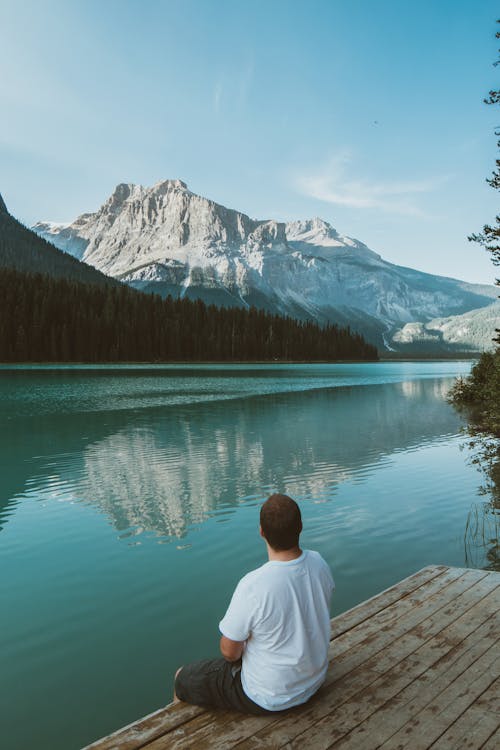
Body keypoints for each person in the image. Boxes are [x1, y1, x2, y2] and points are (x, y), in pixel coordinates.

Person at [174, 493, 335, 714]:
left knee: (182, 677)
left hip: (269, 696)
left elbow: (229, 653)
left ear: (261, 532)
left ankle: (177, 729)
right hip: (314, 681)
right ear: (300, 527)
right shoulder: (319, 563)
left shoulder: (254, 585)